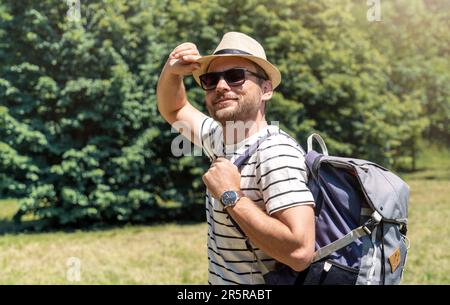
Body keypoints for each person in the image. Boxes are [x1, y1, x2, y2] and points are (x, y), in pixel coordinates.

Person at [156, 32, 315, 285]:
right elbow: (174, 109)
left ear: (266, 89)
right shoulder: (221, 139)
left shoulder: (275, 152)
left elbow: (300, 253)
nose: (221, 86)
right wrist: (171, 70)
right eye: (211, 79)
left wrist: (230, 195)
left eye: (235, 76)